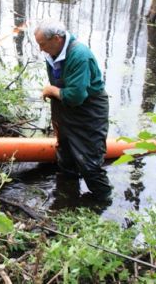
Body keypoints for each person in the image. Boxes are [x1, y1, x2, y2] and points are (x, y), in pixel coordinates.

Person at [34, 19, 112, 201]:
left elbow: (77, 96)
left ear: (56, 39)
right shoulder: (52, 53)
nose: (40, 49)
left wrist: (52, 90)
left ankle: (103, 201)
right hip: (64, 108)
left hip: (89, 111)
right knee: (66, 155)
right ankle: (68, 197)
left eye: (42, 44)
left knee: (90, 162)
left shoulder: (79, 55)